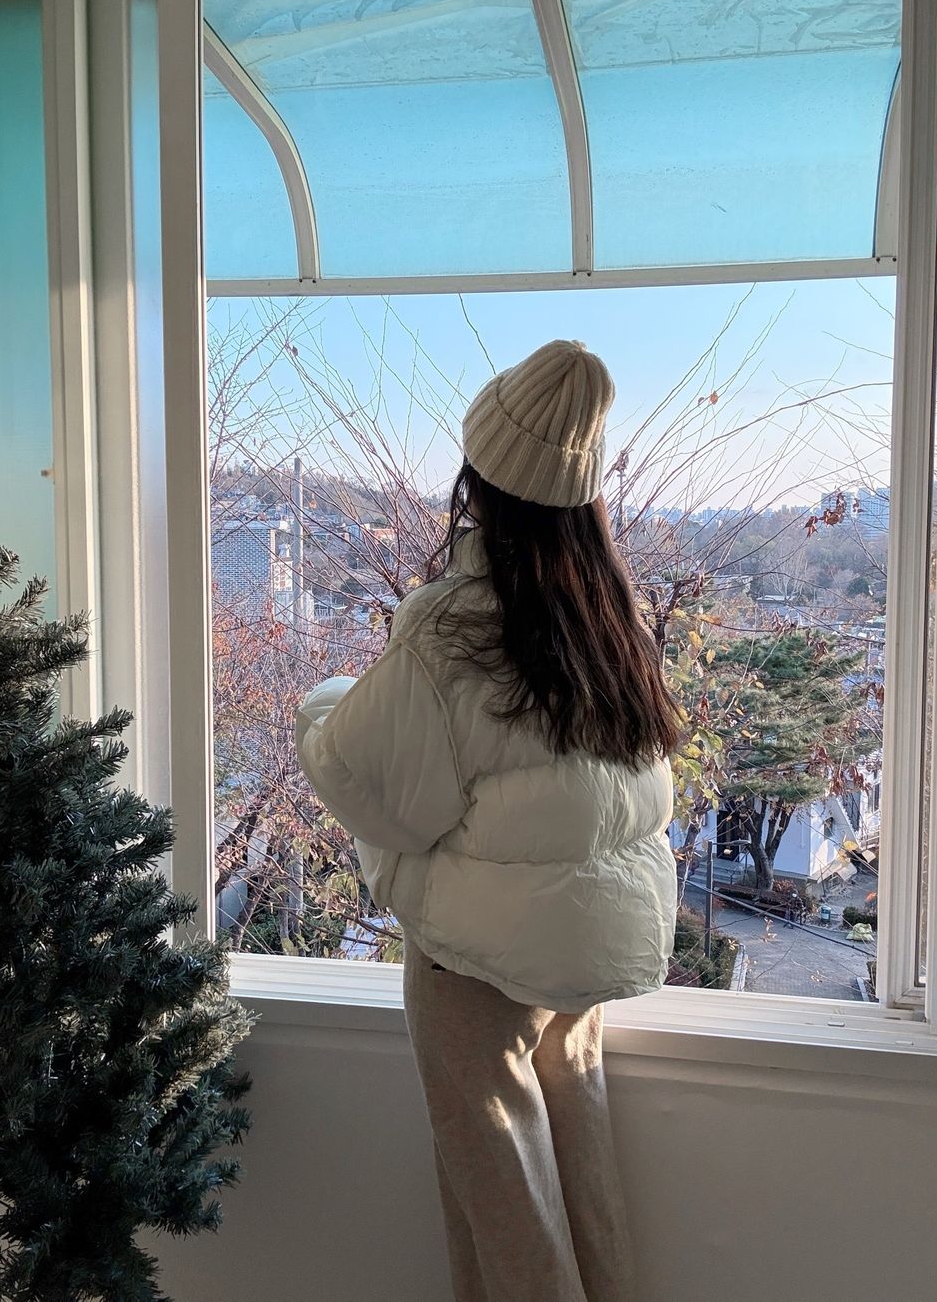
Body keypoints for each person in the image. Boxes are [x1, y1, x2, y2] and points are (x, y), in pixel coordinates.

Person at [297, 340, 682, 1302]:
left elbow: (375, 789)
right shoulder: (614, 622)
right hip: (583, 950)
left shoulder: (454, 625)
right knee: (582, 1188)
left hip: (477, 962)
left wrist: (323, 705)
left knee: (507, 1216)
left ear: (482, 482)